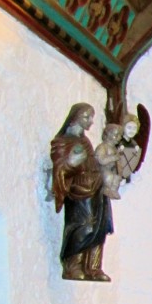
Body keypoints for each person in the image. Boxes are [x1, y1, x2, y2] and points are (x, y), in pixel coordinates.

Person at [50, 102, 114, 281]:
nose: (91, 121)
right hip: (80, 190)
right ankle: (73, 265)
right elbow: (60, 168)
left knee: (100, 228)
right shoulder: (62, 142)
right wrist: (71, 162)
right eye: (87, 117)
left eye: (92, 117)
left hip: (96, 188)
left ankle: (93, 267)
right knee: (85, 226)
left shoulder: (85, 141)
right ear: (74, 118)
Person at [95, 122, 124, 199]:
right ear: (108, 135)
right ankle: (106, 188)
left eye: (120, 136)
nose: (118, 138)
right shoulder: (102, 147)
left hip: (112, 169)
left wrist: (120, 172)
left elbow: (118, 163)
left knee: (116, 178)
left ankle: (113, 190)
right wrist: (113, 158)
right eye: (116, 135)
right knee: (109, 177)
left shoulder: (115, 149)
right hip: (103, 169)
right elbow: (101, 160)